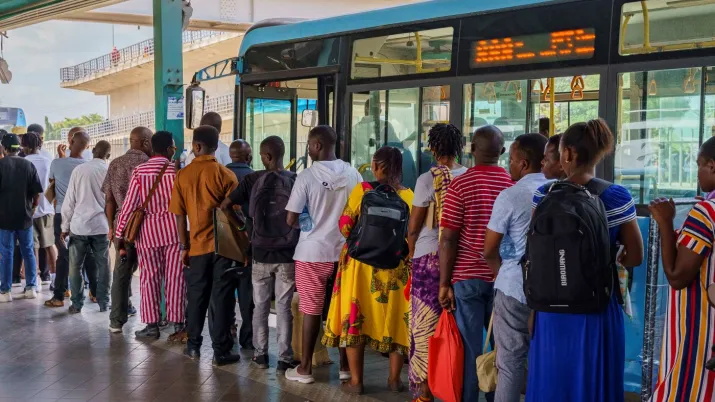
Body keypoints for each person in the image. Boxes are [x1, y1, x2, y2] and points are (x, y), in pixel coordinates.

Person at [527, 119, 643, 402]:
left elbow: (535, 254)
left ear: (568, 153)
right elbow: (636, 256)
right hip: (596, 308)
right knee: (593, 383)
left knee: (551, 384)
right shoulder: (616, 196)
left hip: (549, 310)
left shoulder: (544, 195)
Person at [322, 146, 412, 395]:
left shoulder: (363, 190)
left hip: (360, 268)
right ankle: (394, 380)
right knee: (396, 320)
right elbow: (412, 235)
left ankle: (356, 381)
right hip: (395, 269)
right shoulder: (409, 196)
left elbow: (345, 226)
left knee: (356, 320)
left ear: (375, 166)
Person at [438, 125, 514, 402]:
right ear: (502, 151)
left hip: (466, 279)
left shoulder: (460, 185)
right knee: (501, 350)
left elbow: (448, 239)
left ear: (471, 150)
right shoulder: (512, 185)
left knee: (470, 350)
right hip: (504, 279)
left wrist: (444, 283)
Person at [284, 126, 362, 384]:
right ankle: (345, 367)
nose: (308, 149)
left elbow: (291, 218)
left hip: (312, 254)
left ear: (317, 145)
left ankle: (305, 368)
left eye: (309, 144)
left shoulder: (306, 177)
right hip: (345, 255)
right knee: (342, 310)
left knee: (311, 310)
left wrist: (309, 223)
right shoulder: (353, 174)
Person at [221, 135, 298, 371]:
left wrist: (243, 228)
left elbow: (225, 206)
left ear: (266, 156)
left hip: (260, 251)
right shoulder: (295, 180)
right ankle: (284, 358)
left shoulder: (253, 179)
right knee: (283, 306)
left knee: (260, 306)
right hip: (287, 253)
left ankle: (260, 355)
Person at [648, 136, 715, 401]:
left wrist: (665, 222)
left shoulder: (706, 213)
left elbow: (677, 277)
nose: (697, 172)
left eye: (699, 165)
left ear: (712, 166)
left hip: (699, 329)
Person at [482, 133, 548, 402]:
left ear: (523, 163)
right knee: (544, 361)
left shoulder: (511, 195)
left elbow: (489, 248)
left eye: (510, 160)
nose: (507, 165)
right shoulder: (558, 189)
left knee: (509, 363)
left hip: (515, 287)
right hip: (554, 291)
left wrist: (501, 273)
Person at [169, 125, 240, 366]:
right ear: (216, 146)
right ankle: (221, 352)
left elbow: (179, 216)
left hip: (196, 247)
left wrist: (184, 246)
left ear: (197, 146)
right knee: (221, 299)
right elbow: (234, 212)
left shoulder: (182, 176)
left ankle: (193, 347)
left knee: (196, 297)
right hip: (222, 248)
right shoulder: (225, 174)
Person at [406, 123, 466, 401]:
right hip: (460, 259)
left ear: (432, 149)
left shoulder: (426, 180)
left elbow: (414, 227)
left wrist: (410, 253)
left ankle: (425, 392)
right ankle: (454, 386)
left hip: (429, 260)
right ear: (459, 147)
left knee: (424, 328)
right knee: (455, 328)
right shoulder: (467, 176)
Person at [115, 131, 185, 340]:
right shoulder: (176, 171)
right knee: (175, 278)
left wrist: (120, 234)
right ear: (169, 148)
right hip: (174, 232)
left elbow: (129, 206)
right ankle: (177, 324)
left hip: (147, 234)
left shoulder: (140, 171)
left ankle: (152, 326)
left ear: (153, 148)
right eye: (173, 147)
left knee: (149, 278)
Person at [105, 127, 152, 332]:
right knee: (150, 272)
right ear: (145, 142)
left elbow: (109, 200)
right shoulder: (149, 164)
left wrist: (111, 226)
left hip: (122, 227)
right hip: (147, 226)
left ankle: (116, 321)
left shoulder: (115, 163)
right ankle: (154, 320)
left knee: (121, 273)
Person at [61, 141, 113, 314]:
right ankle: (104, 302)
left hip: (79, 227)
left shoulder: (79, 170)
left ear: (93, 151)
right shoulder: (108, 171)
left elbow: (70, 201)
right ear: (108, 156)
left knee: (75, 267)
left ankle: (76, 304)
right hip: (101, 227)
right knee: (104, 266)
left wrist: (64, 226)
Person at [44, 131, 90, 307]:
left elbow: (52, 181)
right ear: (87, 146)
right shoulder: (87, 166)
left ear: (70, 142)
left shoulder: (57, 163)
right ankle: (88, 293)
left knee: (63, 255)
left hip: (61, 214)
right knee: (84, 254)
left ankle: (59, 296)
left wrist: (62, 157)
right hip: (82, 215)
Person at [0, 133, 42, 302]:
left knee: (6, 253)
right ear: (19, 148)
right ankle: (31, 287)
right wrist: (32, 209)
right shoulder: (28, 165)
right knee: (28, 251)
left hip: (4, 218)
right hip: (25, 217)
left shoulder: (0, 165)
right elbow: (37, 194)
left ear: (4, 148)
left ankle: (5, 291)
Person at [224, 138, 255, 350]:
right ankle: (248, 336)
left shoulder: (221, 174)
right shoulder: (254, 177)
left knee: (224, 289)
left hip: (224, 242)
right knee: (247, 292)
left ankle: (228, 329)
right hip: (249, 242)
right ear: (249, 157)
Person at [22, 132, 57, 290]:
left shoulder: (24, 162)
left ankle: (34, 283)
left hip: (28, 210)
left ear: (25, 146)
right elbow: (53, 185)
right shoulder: (48, 162)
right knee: (50, 246)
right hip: (47, 209)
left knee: (32, 248)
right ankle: (54, 280)